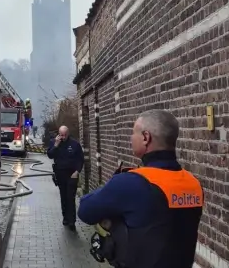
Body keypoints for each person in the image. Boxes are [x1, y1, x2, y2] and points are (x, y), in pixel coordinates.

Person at [77, 110, 203, 268]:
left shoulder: (131, 182)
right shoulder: (193, 184)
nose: (131, 138)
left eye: (133, 132)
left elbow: (85, 211)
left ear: (146, 137)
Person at [47, 125, 84, 231]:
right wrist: (56, 145)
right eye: (61, 135)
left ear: (68, 134)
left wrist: (77, 171)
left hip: (72, 174)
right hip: (60, 174)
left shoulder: (75, 144)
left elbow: (80, 159)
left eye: (64, 135)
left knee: (70, 197)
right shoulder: (54, 142)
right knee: (63, 196)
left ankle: (72, 221)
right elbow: (50, 155)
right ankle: (65, 218)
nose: (62, 137)